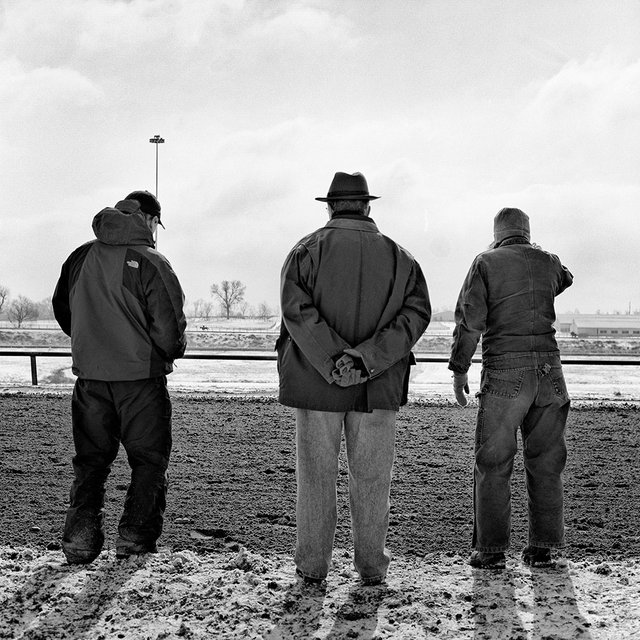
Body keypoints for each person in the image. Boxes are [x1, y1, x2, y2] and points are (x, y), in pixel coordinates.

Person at [277, 171, 431, 585]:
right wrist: (364, 361)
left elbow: (296, 312)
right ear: (367, 205)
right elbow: (416, 316)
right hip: (377, 387)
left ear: (329, 206)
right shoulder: (403, 258)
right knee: (373, 481)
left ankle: (312, 568)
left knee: (315, 479)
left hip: (316, 386)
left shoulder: (305, 251)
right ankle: (371, 568)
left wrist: (334, 362)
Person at [52, 190, 187, 564]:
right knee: (148, 461)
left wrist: (94, 342)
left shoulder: (80, 257)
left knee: (90, 461)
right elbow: (169, 329)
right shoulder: (151, 261)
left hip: (90, 381)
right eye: (156, 223)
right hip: (140, 382)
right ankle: (134, 538)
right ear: (146, 218)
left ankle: (79, 539)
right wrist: (164, 353)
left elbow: (64, 310)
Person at [449, 207, 573, 569]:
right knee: (547, 463)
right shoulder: (548, 261)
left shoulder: (485, 262)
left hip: (505, 372)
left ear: (497, 233)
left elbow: (470, 322)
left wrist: (459, 371)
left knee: (493, 462)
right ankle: (543, 548)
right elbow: (565, 277)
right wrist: (536, 255)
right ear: (527, 232)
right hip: (551, 374)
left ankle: (490, 551)